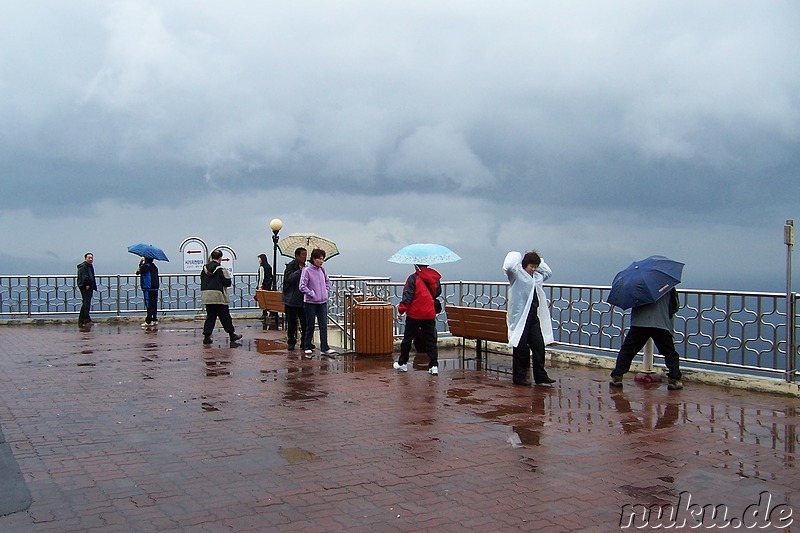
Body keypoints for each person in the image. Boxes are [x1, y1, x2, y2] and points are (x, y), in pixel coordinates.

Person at [609, 288, 683, 390]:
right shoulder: (668, 286)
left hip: (640, 322)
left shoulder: (638, 286)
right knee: (669, 352)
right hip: (660, 323)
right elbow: (674, 306)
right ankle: (675, 380)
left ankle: (617, 376)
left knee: (627, 350)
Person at [503, 250, 556, 386]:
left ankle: (540, 375)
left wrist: (539, 260)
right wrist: (518, 255)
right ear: (524, 265)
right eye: (531, 266)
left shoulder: (537, 277)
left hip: (533, 316)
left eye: (535, 266)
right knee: (520, 348)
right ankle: (519, 377)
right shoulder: (516, 275)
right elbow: (508, 266)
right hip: (520, 317)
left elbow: (548, 272)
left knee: (539, 346)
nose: (533, 269)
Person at [393, 264, 442, 375]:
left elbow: (408, 296)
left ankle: (402, 363)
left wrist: (401, 310)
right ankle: (434, 365)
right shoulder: (435, 277)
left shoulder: (413, 278)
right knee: (430, 340)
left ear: (416, 266)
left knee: (407, 339)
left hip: (415, 313)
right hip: (429, 313)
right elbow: (438, 293)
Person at [299, 248, 338, 357]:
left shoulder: (322, 270)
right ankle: (307, 346)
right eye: (319, 259)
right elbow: (302, 286)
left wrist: (325, 291)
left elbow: (327, 282)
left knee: (323, 325)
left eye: (322, 259)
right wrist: (312, 293)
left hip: (322, 302)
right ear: (313, 259)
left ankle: (324, 347)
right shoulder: (307, 271)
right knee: (310, 325)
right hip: (310, 303)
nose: (321, 261)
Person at [200, 249, 242, 345]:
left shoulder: (204, 269)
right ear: (220, 258)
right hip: (218, 296)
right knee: (225, 317)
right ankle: (232, 335)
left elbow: (202, 279)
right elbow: (227, 283)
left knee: (210, 317)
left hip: (207, 296)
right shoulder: (220, 269)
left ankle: (207, 337)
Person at [281, 247, 307, 351]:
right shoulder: (291, 266)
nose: (305, 257)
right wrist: (300, 272)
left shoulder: (306, 266)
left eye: (306, 254)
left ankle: (305, 342)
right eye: (303, 255)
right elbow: (289, 279)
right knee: (291, 323)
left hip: (303, 299)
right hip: (291, 300)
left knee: (305, 323)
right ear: (297, 256)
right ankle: (291, 341)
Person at [136, 257, 160, 327]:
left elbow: (138, 272)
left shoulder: (145, 267)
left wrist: (141, 262)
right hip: (155, 287)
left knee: (148, 304)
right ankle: (154, 319)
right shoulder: (154, 266)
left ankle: (148, 321)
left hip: (148, 288)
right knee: (154, 304)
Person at [76, 252, 97, 326]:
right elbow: (84, 276)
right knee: (86, 303)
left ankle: (81, 319)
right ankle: (86, 320)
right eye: (89, 258)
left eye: (91, 258)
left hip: (89, 286)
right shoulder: (84, 266)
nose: (91, 259)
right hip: (85, 287)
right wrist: (87, 284)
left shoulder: (89, 265)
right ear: (85, 258)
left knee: (85, 303)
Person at [255, 253, 273, 324]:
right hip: (268, 286)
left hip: (263, 286)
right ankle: (270, 312)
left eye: (259, 258)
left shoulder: (262, 267)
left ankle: (264, 313)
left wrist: (259, 286)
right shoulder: (269, 266)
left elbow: (261, 277)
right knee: (268, 300)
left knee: (263, 300)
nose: (259, 260)